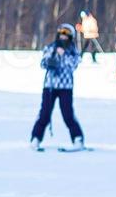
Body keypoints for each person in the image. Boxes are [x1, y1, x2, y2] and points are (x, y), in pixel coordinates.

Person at [30, 23, 86, 152]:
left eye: (66, 35)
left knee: (68, 114)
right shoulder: (51, 47)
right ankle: (36, 138)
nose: (63, 37)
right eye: (61, 34)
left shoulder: (73, 51)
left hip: (65, 87)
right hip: (50, 85)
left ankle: (77, 138)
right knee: (44, 113)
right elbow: (43, 63)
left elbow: (73, 65)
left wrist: (63, 55)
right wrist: (51, 60)